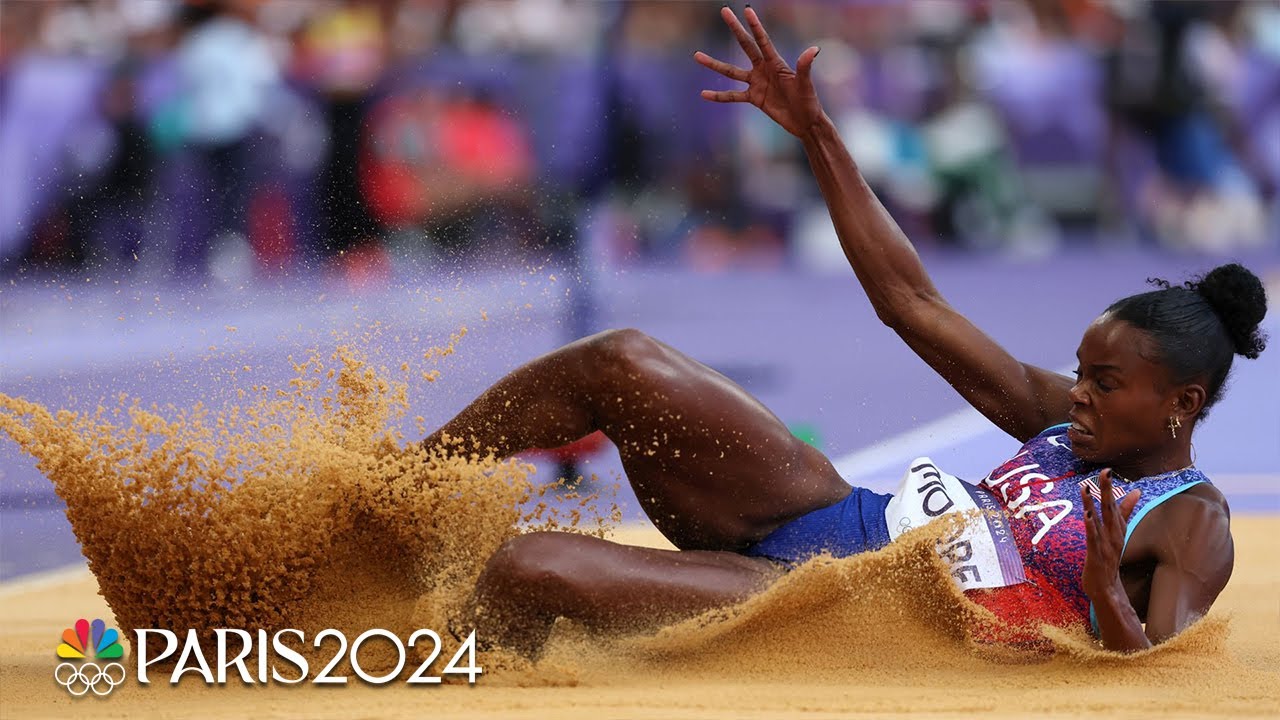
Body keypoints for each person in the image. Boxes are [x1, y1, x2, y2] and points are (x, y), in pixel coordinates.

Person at [424, 8, 1268, 658]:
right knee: (622, 359)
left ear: (1180, 403)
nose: (1078, 390)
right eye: (1084, 371)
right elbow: (912, 304)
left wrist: (1104, 596)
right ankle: (392, 495)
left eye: (1105, 382)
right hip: (837, 514)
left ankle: (432, 662)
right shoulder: (1067, 421)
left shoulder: (1190, 524)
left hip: (822, 601)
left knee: (525, 567)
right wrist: (818, 136)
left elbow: (1156, 672)